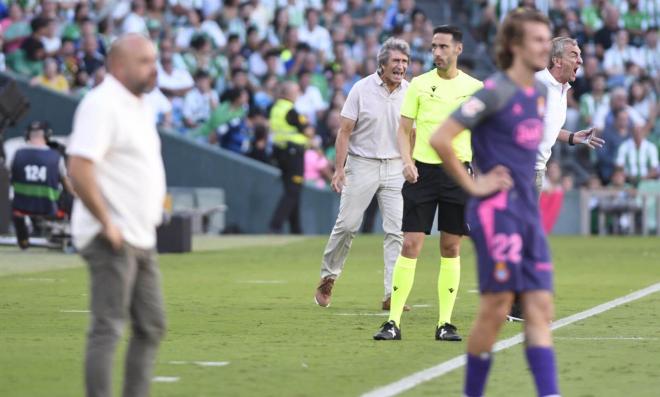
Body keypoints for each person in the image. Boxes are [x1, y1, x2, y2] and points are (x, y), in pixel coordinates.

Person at [429, 10, 560, 397]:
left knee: (539, 309)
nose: (545, 47)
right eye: (537, 40)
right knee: (496, 308)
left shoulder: (538, 93)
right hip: (496, 214)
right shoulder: (493, 91)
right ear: (515, 46)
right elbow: (441, 138)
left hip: (527, 214)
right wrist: (476, 185)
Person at [67, 34, 167, 397]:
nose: (153, 68)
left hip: (139, 236)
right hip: (112, 235)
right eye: (144, 61)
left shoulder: (138, 104)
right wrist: (107, 222)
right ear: (119, 66)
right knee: (108, 327)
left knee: (152, 326)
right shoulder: (102, 104)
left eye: (154, 60)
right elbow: (79, 167)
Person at [374, 25, 483, 342]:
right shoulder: (418, 85)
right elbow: (404, 129)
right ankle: (392, 322)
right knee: (410, 244)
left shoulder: (474, 88)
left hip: (457, 174)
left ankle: (445, 323)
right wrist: (406, 161)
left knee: (450, 247)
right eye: (434, 46)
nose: (437, 52)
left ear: (458, 49)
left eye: (443, 47)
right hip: (422, 173)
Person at [507, 36, 605, 321]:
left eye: (580, 55)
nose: (580, 60)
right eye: (575, 55)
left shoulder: (562, 89)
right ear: (557, 60)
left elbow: (547, 129)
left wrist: (573, 137)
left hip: (534, 171)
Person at [313, 37, 410, 310]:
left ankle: (393, 293)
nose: (401, 66)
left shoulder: (409, 91)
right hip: (362, 163)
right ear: (382, 64)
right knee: (347, 225)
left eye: (404, 62)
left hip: (394, 167)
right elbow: (344, 132)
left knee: (396, 232)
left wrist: (410, 163)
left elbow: (412, 133)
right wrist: (339, 170)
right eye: (396, 61)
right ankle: (328, 277)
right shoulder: (360, 89)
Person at [9, 121, 72, 249]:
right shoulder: (56, 156)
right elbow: (67, 185)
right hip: (50, 209)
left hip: (21, 208)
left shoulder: (17, 154)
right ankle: (71, 237)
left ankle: (24, 241)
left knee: (17, 207)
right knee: (71, 196)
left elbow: (10, 177)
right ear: (47, 136)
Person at [269, 81, 315, 234]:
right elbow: (307, 131)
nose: (297, 94)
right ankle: (275, 225)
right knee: (293, 191)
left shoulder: (276, 108)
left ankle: (296, 229)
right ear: (288, 93)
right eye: (296, 91)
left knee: (293, 190)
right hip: (293, 153)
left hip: (281, 152)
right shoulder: (290, 110)